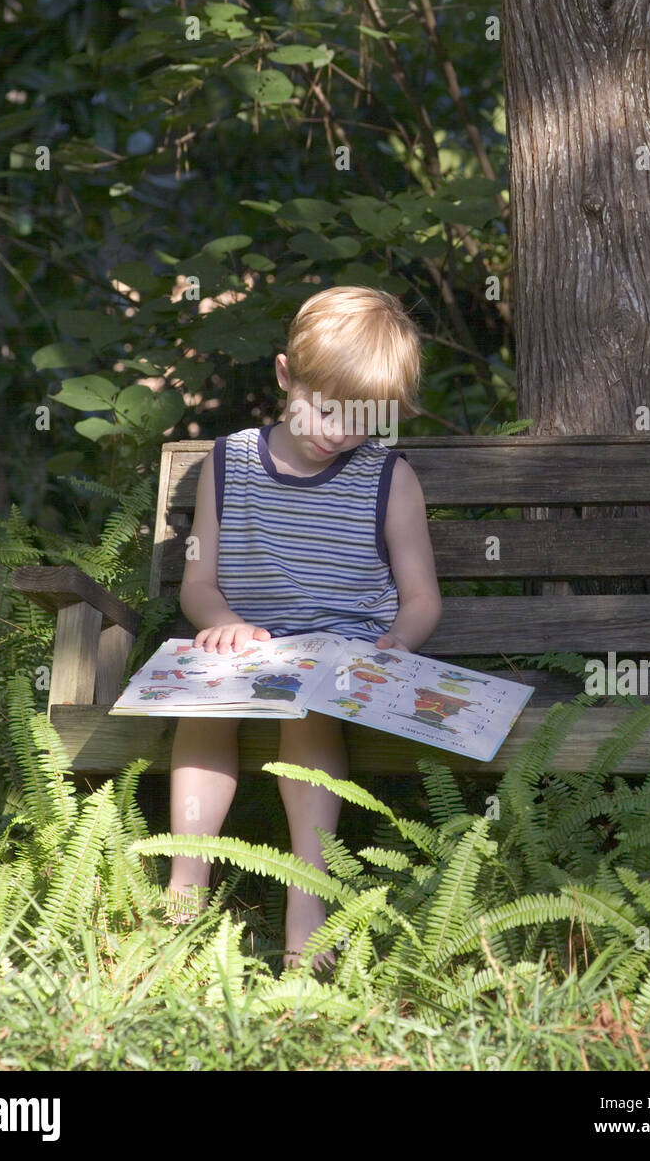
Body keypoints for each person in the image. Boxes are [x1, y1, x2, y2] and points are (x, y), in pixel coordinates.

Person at [167, 285, 443, 973]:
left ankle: (307, 897)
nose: (336, 431)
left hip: (343, 654)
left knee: (309, 712)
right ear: (287, 375)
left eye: (359, 419)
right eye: (323, 407)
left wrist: (399, 644)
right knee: (204, 708)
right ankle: (185, 885)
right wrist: (224, 624)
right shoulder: (229, 464)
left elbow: (421, 597)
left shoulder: (388, 476)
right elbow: (198, 584)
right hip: (249, 646)